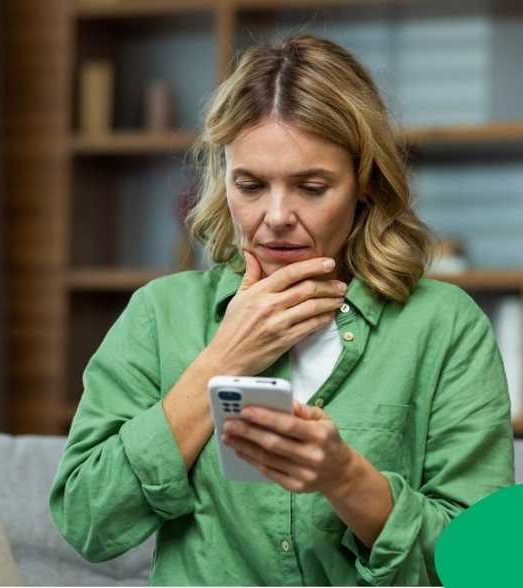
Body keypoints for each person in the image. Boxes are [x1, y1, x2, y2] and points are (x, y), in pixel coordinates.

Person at [49, 34, 514, 586]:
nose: (275, 217)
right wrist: (221, 361)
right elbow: (87, 522)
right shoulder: (159, 314)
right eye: (249, 185)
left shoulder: (443, 325)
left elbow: (484, 566)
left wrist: (347, 480)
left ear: (364, 183)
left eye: (312, 187)